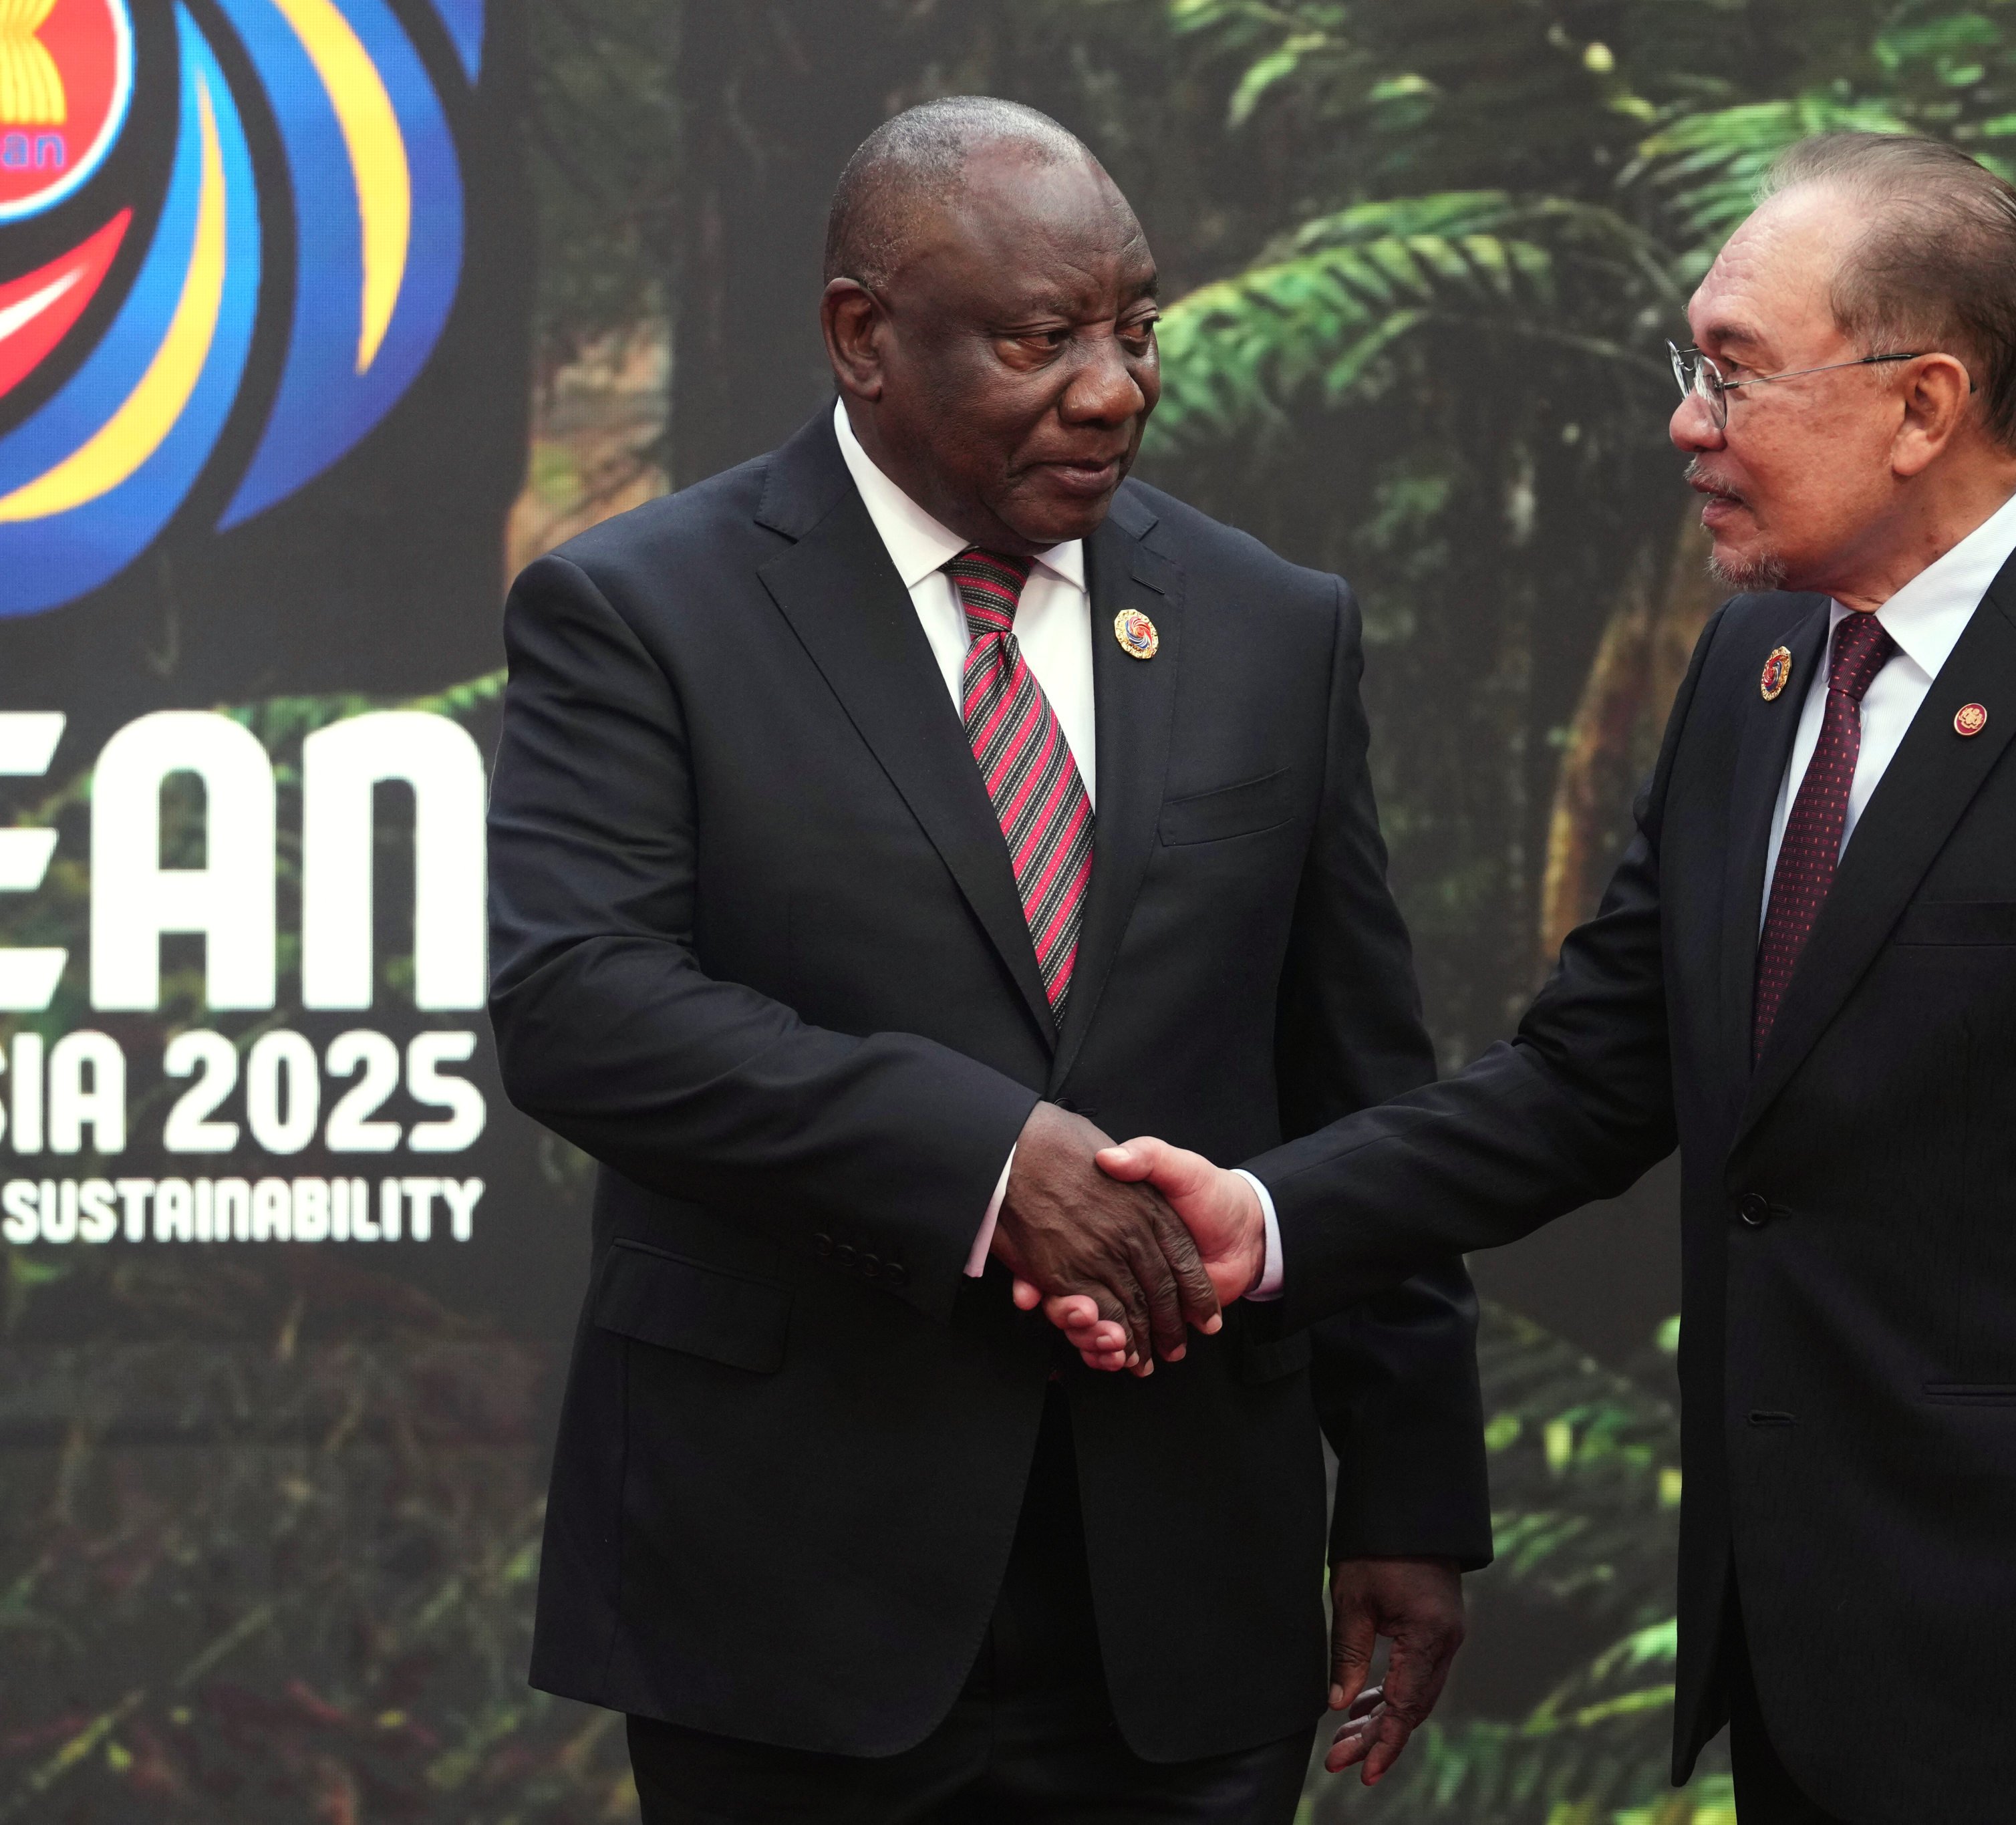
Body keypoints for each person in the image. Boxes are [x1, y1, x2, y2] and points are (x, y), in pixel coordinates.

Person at [1055, 132, 2016, 1825]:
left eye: (1733, 373)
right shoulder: (1755, 668)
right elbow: (1582, 1080)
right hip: (1799, 1665)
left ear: (1921, 405)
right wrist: (1264, 1217)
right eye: (1688, 368)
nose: (1686, 423)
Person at [487, 97, 1489, 1824]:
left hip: (1183, 1596)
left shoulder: (1271, 626)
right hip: (791, 1595)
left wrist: (1406, 1484)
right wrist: (983, 1162)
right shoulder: (641, 611)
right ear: (861, 337)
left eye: (1134, 329)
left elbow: (1355, 1079)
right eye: (1041, 340)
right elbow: (584, 1006)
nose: (1111, 389)